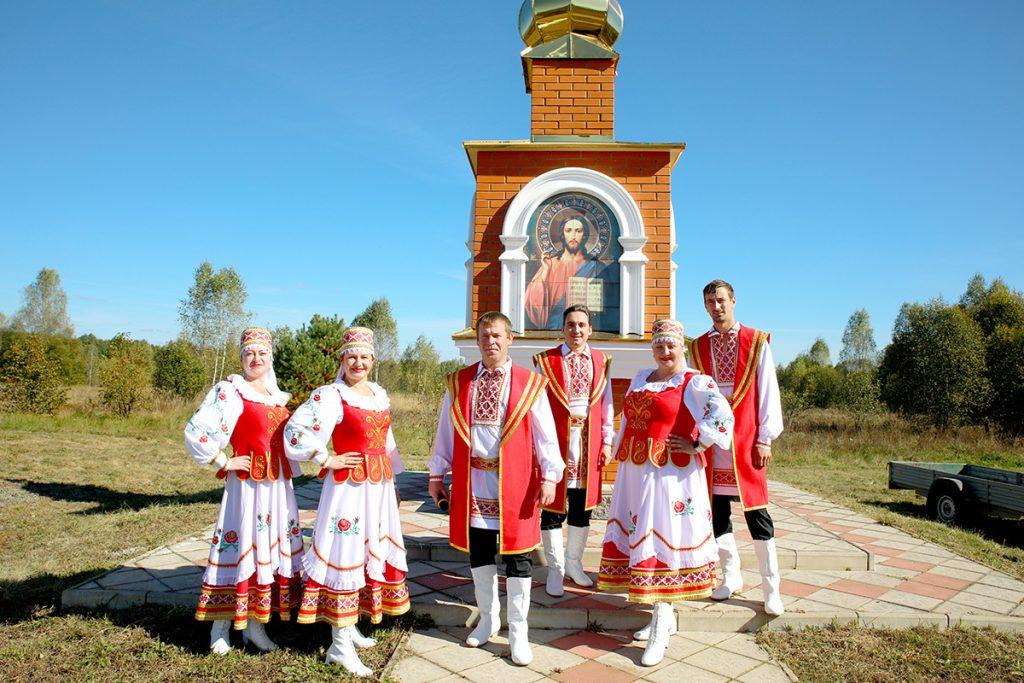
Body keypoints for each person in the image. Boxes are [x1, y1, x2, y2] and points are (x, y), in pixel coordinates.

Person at [428, 311, 563, 666]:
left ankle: (518, 632)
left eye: (497, 335)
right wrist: (436, 475)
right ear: (477, 340)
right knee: (480, 552)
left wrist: (550, 476)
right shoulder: (460, 382)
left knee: (519, 558)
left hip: (516, 484)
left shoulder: (529, 382)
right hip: (473, 483)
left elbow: (545, 433)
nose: (491, 342)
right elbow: (445, 431)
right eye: (485, 335)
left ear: (510, 339)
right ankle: (488, 619)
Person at [597, 319, 734, 667]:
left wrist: (697, 441)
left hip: (670, 476)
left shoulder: (693, 381)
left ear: (682, 347)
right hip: (636, 472)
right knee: (642, 540)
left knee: (661, 544)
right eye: (659, 345)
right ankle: (663, 618)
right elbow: (627, 421)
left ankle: (661, 626)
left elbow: (723, 414)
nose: (665, 351)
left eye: (671, 345)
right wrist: (615, 450)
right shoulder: (643, 377)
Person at [283, 326, 409, 677]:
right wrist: (325, 458)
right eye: (352, 356)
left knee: (368, 552)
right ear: (342, 359)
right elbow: (297, 428)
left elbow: (386, 440)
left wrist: (394, 481)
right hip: (349, 488)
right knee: (346, 553)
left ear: (373, 360)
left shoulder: (377, 393)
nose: (358, 362)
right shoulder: (331, 395)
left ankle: (350, 626)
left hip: (379, 486)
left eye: (364, 357)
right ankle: (338, 644)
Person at [184, 327, 304, 655]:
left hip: (277, 488)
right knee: (239, 549)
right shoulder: (231, 390)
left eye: (262, 353)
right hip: (248, 486)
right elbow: (198, 428)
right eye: (250, 353)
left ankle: (255, 626)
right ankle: (219, 627)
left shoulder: (277, 396)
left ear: (270, 359)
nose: (256, 359)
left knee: (265, 550)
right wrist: (223, 458)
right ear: (241, 358)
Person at [684, 280, 785, 616]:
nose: (717, 307)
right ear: (705, 306)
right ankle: (731, 577)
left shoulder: (756, 342)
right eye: (710, 302)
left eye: (722, 300)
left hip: (745, 439)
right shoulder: (697, 347)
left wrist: (765, 437)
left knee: (757, 513)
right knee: (717, 512)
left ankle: (772, 588)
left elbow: (767, 390)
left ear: (734, 301)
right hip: (712, 442)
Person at [532, 305, 614, 597]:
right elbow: (537, 406)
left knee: (582, 507)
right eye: (570, 325)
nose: (576, 330)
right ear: (563, 328)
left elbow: (607, 403)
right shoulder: (546, 361)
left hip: (588, 441)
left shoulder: (601, 361)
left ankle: (574, 564)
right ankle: (554, 569)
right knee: (553, 507)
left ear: (590, 329)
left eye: (581, 325)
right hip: (557, 441)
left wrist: (607, 441)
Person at [525, 218, 609, 329]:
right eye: (568, 230)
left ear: (585, 235)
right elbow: (532, 303)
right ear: (562, 235)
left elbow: (606, 304)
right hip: (554, 328)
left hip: (580, 328)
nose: (573, 236)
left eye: (578, 231)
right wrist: (545, 272)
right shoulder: (550, 264)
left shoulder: (596, 267)